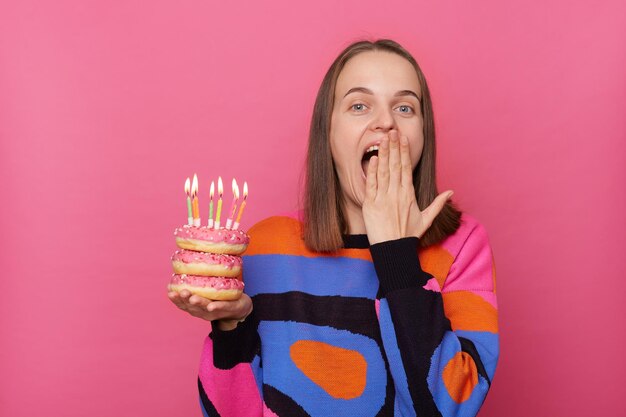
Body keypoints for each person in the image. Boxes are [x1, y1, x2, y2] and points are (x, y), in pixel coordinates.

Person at [168, 39, 499, 417]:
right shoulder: (263, 247)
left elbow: (449, 408)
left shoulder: (463, 245)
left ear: (423, 135)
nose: (386, 121)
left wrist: (396, 252)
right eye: (359, 105)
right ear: (328, 131)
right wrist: (232, 326)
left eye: (405, 107)